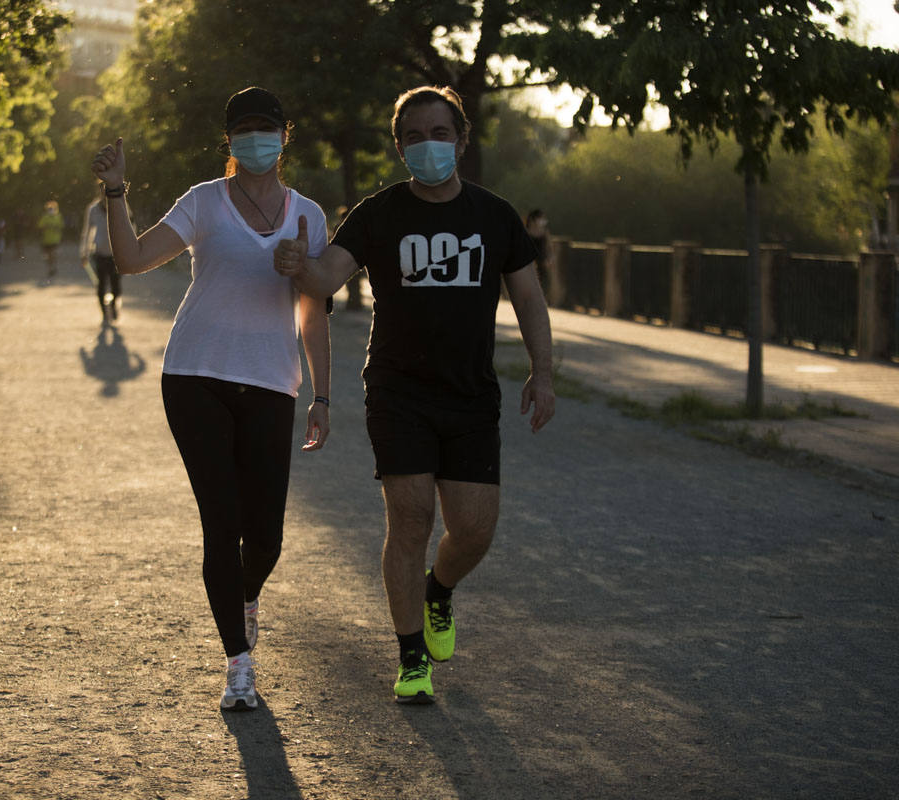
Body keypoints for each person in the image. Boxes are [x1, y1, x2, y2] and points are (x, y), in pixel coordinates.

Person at [274, 85, 556, 704]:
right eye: (414, 137)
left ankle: (439, 590)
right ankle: (410, 658)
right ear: (399, 147)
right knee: (410, 518)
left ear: (460, 140)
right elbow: (326, 276)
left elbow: (529, 298)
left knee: (475, 529)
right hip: (398, 391)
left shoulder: (495, 216)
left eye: (439, 134)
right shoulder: (379, 215)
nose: (428, 146)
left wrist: (544, 370)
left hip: (470, 396)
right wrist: (298, 261)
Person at [90, 87, 331, 712]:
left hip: (273, 382)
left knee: (267, 537)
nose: (256, 138)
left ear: (286, 135)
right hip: (195, 376)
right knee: (221, 525)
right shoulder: (204, 202)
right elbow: (132, 257)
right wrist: (115, 193)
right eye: (244, 129)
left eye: (267, 128)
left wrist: (323, 393)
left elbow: (314, 311)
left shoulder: (309, 215)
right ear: (229, 140)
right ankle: (238, 665)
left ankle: (245, 596)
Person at [79, 183, 121, 325]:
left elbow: (131, 226)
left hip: (116, 254)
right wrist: (83, 251)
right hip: (99, 253)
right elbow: (87, 231)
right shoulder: (93, 209)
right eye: (103, 191)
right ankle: (104, 313)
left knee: (116, 286)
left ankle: (114, 306)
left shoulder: (120, 205)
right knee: (101, 285)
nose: (105, 194)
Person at [37, 200, 64, 283]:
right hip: (46, 240)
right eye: (49, 208)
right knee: (48, 256)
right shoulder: (45, 217)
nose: (51, 209)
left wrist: (55, 227)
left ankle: (53, 267)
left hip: (55, 239)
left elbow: (61, 226)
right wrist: (46, 227)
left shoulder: (58, 216)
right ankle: (51, 267)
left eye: (52, 208)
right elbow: (40, 226)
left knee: (52, 254)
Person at [525, 208, 553, 288]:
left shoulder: (544, 233)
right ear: (533, 219)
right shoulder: (526, 233)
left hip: (541, 263)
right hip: (529, 264)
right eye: (541, 218)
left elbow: (548, 246)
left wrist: (549, 258)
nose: (543, 221)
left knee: (542, 284)